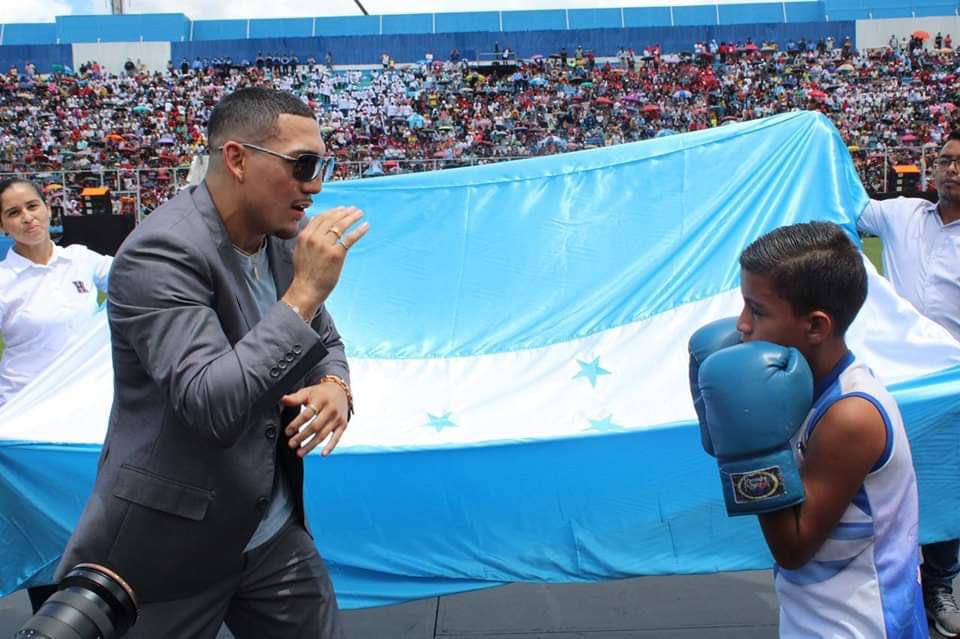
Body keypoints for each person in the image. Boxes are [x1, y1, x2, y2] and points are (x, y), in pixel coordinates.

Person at [56, 87, 369, 638]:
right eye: (302, 165)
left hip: (269, 529)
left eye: (322, 166)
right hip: (168, 550)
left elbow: (326, 342)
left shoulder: (279, 241)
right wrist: (304, 293)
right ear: (237, 159)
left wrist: (333, 386)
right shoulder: (160, 254)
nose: (316, 185)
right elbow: (211, 406)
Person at [690, 221, 927, 637]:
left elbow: (794, 548)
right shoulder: (799, 389)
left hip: (863, 625)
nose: (741, 324)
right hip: (813, 615)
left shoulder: (851, 415)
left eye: (757, 310)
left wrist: (749, 450)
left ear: (816, 326)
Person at [857, 130, 960, 637]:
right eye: (945, 159)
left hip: (950, 386)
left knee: (944, 484)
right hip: (891, 380)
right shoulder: (899, 214)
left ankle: (938, 585)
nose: (951, 169)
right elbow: (838, 200)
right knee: (882, 481)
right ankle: (884, 584)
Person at [0, 178, 112, 611]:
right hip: (29, 430)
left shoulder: (80, 260)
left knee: (98, 525)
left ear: (48, 208)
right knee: (46, 538)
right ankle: (51, 622)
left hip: (86, 420)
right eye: (13, 213)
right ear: (3, 226)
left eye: (32, 206)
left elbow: (137, 275)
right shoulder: (4, 281)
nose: (27, 218)